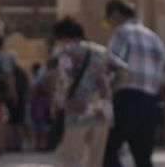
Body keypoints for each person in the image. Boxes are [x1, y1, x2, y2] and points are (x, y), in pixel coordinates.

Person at [100, 0, 165, 167]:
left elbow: (112, 66)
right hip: (151, 101)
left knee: (106, 150)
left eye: (109, 20)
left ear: (116, 14)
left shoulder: (121, 33)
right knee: (143, 156)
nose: (110, 25)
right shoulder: (153, 37)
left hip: (127, 98)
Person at [50, 17, 128, 167]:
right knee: (94, 160)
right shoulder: (101, 50)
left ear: (63, 36)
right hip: (102, 109)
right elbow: (123, 69)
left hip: (77, 109)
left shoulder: (68, 51)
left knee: (68, 158)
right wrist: (109, 89)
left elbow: (64, 80)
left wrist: (57, 104)